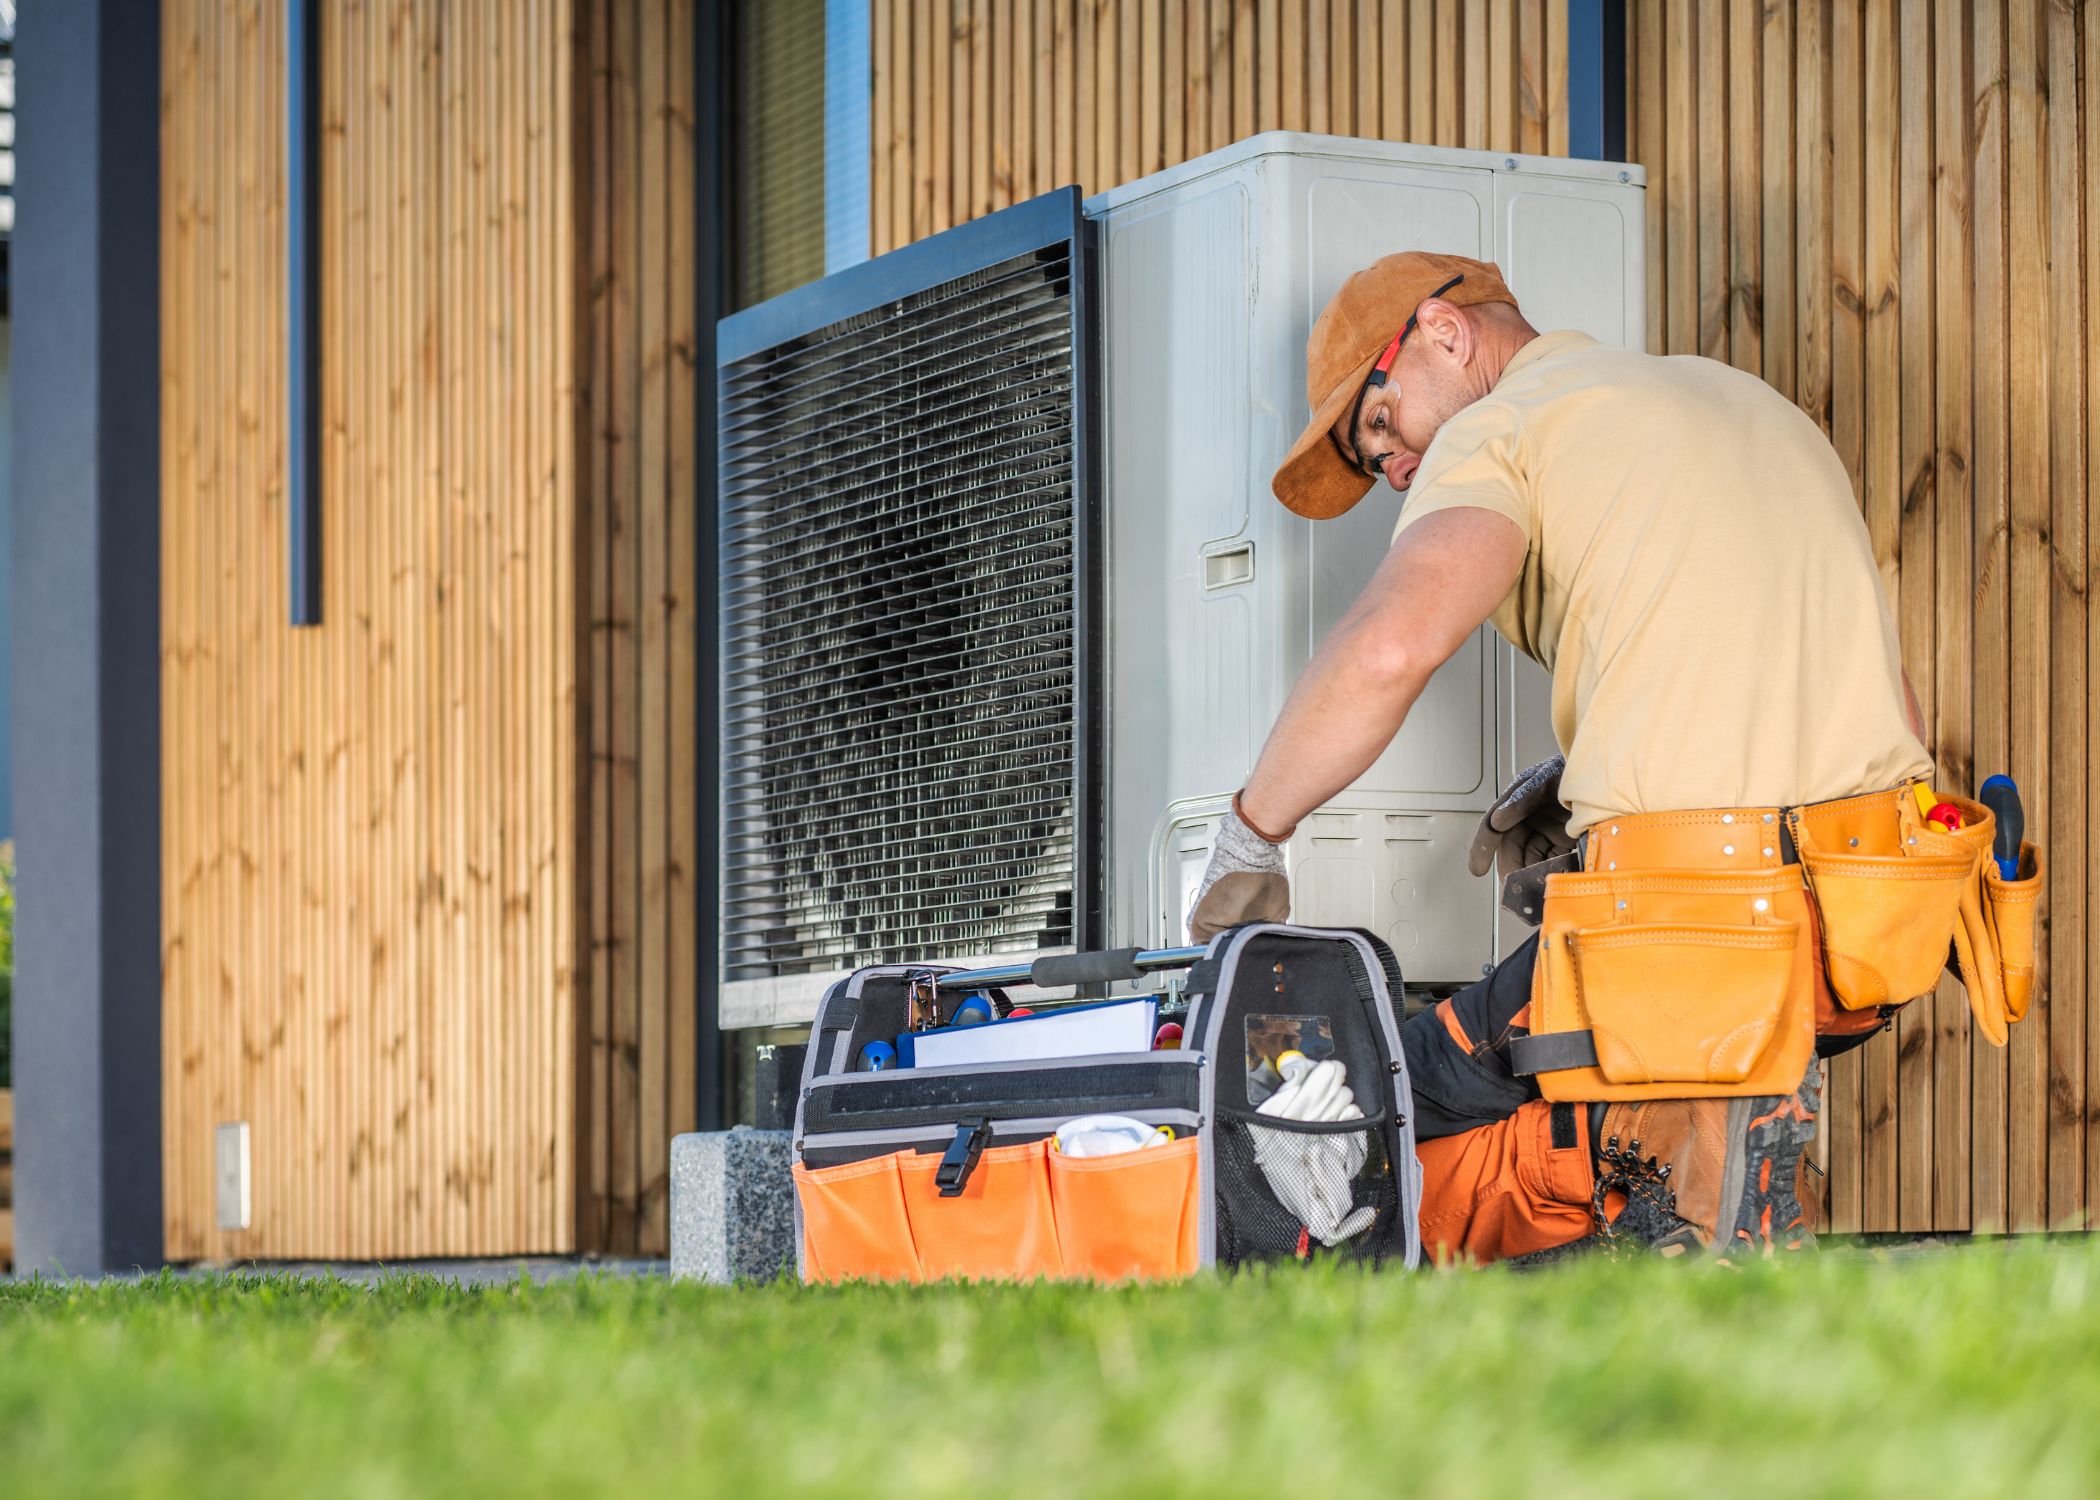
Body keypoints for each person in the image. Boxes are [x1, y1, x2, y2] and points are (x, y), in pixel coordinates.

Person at [1185, 251, 2029, 1263]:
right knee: (1581, 1077)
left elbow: (1390, 646)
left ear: (1443, 334)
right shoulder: (1745, 401)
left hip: (1692, 930)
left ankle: (1669, 1189)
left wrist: (1250, 835)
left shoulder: (1503, 427)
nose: (1396, 469)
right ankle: (1700, 1163)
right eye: (1378, 467)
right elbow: (1886, 702)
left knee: (1364, 1094)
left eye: (1381, 427)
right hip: (1867, 932)